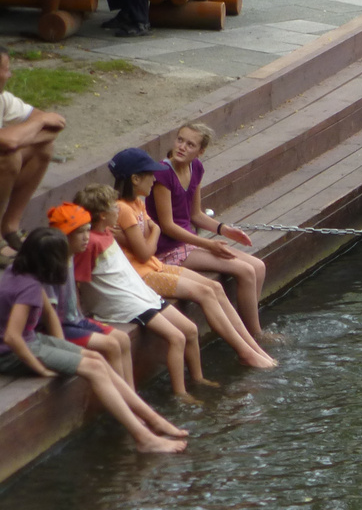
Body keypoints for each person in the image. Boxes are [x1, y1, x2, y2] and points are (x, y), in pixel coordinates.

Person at [0, 228, 188, 453]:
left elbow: (49, 315)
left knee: (96, 359)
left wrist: (65, 349)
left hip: (31, 340)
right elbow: (12, 337)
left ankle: (151, 418)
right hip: (12, 353)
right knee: (94, 368)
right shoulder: (28, 288)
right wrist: (40, 368)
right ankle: (143, 438)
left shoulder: (20, 271)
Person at [107, 148, 275, 368]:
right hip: (140, 275)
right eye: (150, 174)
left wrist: (146, 234)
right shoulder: (123, 209)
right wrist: (154, 231)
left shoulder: (138, 203)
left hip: (152, 266)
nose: (154, 179)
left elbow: (145, 241)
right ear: (135, 179)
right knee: (204, 293)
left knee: (214, 288)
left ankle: (253, 346)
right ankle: (245, 353)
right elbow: (145, 250)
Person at [67, 193, 209, 403]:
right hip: (124, 301)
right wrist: (81, 314)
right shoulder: (89, 244)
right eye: (114, 209)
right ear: (103, 215)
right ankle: (181, 393)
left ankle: (198, 379)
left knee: (190, 330)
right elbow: (78, 279)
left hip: (139, 292)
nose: (119, 212)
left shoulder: (107, 232)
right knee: (176, 337)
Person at [148, 122, 272, 342]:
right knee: (245, 270)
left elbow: (195, 214)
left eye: (190, 144)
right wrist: (208, 244)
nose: (182, 147)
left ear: (200, 151)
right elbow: (168, 226)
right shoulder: (163, 174)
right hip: (168, 249)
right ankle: (255, 335)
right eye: (180, 140)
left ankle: (247, 327)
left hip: (188, 243)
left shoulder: (196, 168)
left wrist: (223, 230)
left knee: (258, 266)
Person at [42, 204, 136, 390]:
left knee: (123, 339)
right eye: (80, 233)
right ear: (64, 235)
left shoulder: (70, 255)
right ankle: (123, 401)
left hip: (77, 320)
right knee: (111, 345)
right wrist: (61, 348)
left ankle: (133, 396)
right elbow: (49, 315)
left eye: (87, 230)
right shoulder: (52, 265)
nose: (87, 237)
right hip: (61, 327)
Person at [0, 46, 65, 265]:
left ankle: (10, 226)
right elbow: (9, 142)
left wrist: (20, 138)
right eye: (6, 70)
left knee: (43, 148)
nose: (10, 75)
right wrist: (34, 126)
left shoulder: (3, 100)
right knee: (8, 157)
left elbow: (53, 124)